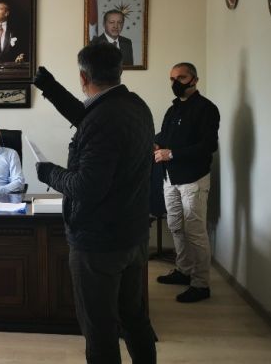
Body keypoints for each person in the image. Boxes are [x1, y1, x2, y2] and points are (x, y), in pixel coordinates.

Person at [33, 43, 156, 364]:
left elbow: (86, 187)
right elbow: (89, 117)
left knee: (99, 330)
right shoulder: (135, 106)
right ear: (119, 71)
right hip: (132, 234)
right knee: (134, 318)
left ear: (83, 77)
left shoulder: (103, 120)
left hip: (100, 244)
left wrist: (48, 172)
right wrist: (51, 88)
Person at [154, 62, 220, 303]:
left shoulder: (206, 109)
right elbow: (164, 136)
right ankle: (183, 270)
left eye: (181, 78)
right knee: (175, 226)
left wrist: (171, 154)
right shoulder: (173, 109)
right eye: (172, 79)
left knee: (195, 232)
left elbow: (208, 146)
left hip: (193, 179)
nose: (176, 83)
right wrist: (155, 143)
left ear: (194, 79)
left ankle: (201, 284)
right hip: (169, 178)